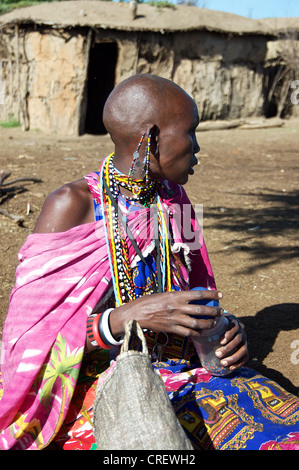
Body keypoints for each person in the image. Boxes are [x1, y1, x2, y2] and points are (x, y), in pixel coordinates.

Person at [0, 74, 298, 450]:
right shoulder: (73, 205)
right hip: (93, 382)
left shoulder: (176, 200)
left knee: (279, 430)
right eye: (191, 132)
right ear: (151, 138)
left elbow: (198, 294)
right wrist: (124, 319)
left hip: (180, 370)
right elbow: (25, 344)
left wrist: (224, 329)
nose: (198, 147)